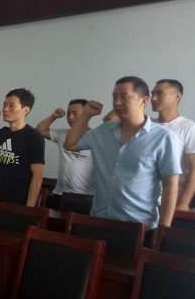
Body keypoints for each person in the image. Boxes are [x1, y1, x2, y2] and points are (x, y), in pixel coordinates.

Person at [64, 76, 182, 231]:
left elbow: (170, 186)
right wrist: (86, 115)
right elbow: (70, 145)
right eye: (114, 97)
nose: (117, 103)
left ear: (144, 100)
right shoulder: (103, 131)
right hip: (99, 220)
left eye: (124, 97)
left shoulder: (163, 137)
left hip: (138, 227)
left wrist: (163, 230)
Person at [36, 100, 95, 212]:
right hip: (59, 194)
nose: (70, 117)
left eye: (75, 113)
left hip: (84, 198)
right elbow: (39, 130)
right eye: (68, 113)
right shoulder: (62, 134)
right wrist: (54, 116)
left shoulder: (96, 137)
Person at [151, 79, 195, 211]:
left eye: (159, 93)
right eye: (152, 94)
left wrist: (184, 204)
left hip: (172, 202)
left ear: (177, 97)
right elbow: (112, 120)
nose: (153, 98)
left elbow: (194, 169)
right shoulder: (147, 125)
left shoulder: (188, 127)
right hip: (145, 203)